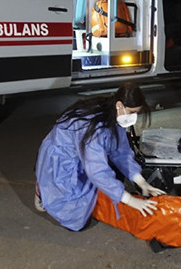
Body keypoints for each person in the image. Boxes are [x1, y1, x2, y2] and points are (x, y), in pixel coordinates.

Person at [34, 82, 165, 231]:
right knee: (74, 220)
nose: (133, 117)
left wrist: (141, 182)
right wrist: (129, 200)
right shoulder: (92, 126)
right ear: (119, 105)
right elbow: (97, 171)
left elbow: (121, 152)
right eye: (132, 112)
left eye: (136, 113)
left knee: (93, 192)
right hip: (60, 159)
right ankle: (42, 188)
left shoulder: (114, 115)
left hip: (81, 156)